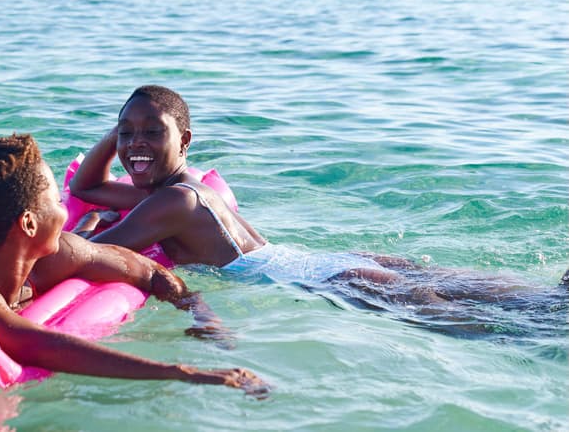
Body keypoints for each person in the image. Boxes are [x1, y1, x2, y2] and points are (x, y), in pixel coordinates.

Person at [69, 85, 568, 337]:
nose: (136, 143)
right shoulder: (180, 188)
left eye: (152, 131)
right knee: (535, 300)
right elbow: (91, 185)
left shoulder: (172, 201)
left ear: (186, 141)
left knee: (512, 329)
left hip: (333, 278)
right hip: (323, 261)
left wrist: (92, 223)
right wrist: (128, 134)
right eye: (126, 132)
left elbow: (91, 248)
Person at [0, 133, 268, 394]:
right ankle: (93, 222)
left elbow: (147, 271)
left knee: (84, 239)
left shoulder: (60, 256)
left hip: (66, 253)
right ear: (29, 224)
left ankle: (93, 222)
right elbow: (38, 346)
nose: (61, 208)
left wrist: (196, 309)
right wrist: (181, 372)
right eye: (56, 201)